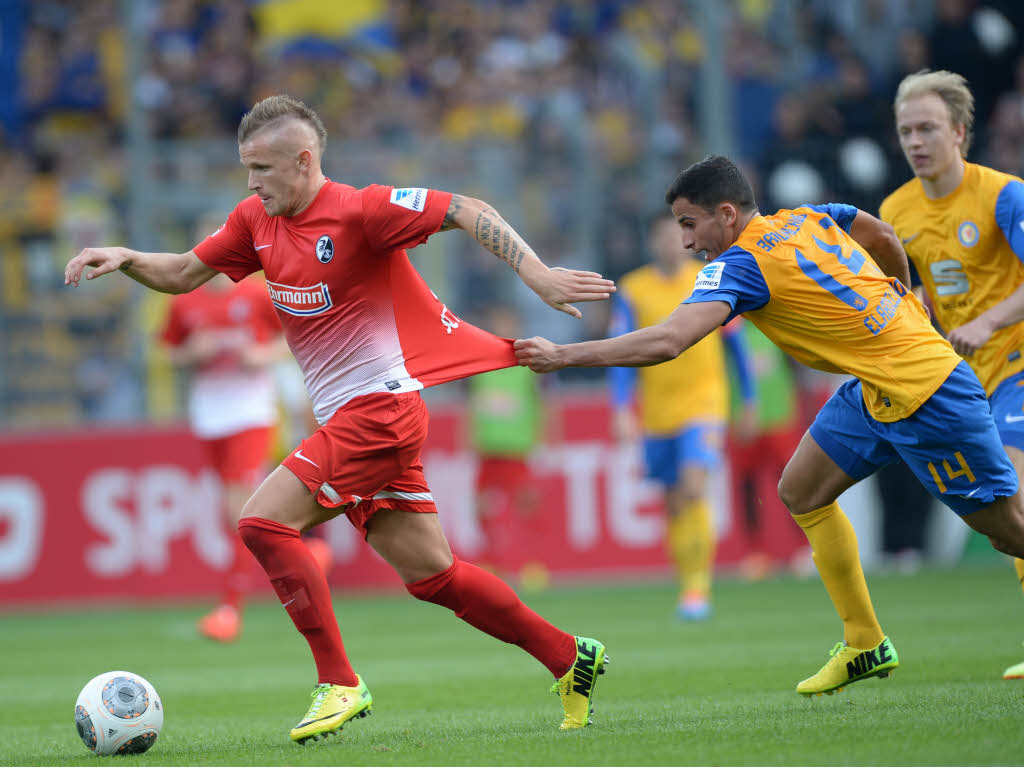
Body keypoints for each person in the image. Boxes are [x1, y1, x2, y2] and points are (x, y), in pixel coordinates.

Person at [66, 94, 615, 741]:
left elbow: (468, 209)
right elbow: (187, 272)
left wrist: (538, 273)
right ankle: (567, 655)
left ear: (304, 161)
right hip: (359, 417)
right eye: (246, 169)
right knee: (434, 576)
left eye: (263, 168)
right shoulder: (254, 220)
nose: (251, 182)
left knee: (263, 521)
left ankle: (340, 681)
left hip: (380, 410)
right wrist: (128, 257)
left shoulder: (362, 210)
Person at [515, 154, 1024, 697]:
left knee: (1005, 529)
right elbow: (876, 231)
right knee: (801, 490)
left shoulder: (739, 264)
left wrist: (564, 356)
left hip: (928, 392)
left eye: (690, 224)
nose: (687, 242)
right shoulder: (809, 217)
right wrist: (905, 297)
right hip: (874, 386)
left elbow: (669, 340)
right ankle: (864, 642)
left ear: (727, 215)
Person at [880, 68, 1024, 678]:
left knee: (1013, 493)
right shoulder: (895, 210)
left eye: (928, 129)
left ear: (960, 131)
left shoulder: (1004, 195)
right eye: (906, 131)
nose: (916, 142)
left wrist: (989, 323)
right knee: (1001, 518)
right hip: (964, 379)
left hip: (1018, 358)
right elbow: (914, 295)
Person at [610, 213, 757, 620]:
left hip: (704, 403)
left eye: (676, 235)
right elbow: (621, 356)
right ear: (651, 242)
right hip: (658, 411)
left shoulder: (711, 278)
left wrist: (749, 399)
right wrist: (622, 409)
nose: (669, 243)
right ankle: (687, 582)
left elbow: (736, 345)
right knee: (674, 503)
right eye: (660, 236)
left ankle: (698, 589)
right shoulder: (633, 289)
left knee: (694, 488)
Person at [160, 270, 285, 642]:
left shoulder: (258, 297)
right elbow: (167, 351)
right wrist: (190, 354)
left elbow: (293, 336)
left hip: (251, 413)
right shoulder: (184, 302)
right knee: (233, 512)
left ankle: (231, 608)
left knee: (238, 511)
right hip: (210, 416)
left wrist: (262, 355)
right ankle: (309, 553)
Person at [466, 306, 548, 586]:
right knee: (483, 509)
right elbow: (471, 407)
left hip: (517, 449)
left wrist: (545, 438)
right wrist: (467, 439)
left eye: (507, 322)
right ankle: (491, 563)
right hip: (488, 449)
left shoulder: (527, 366)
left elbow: (544, 403)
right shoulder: (479, 365)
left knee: (526, 507)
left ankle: (531, 566)